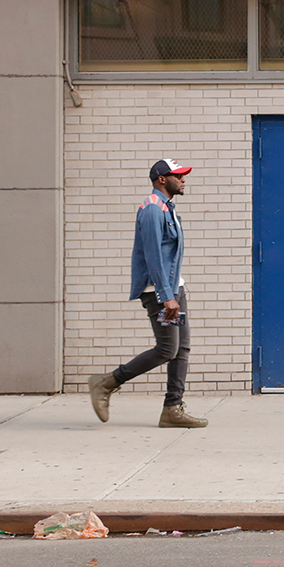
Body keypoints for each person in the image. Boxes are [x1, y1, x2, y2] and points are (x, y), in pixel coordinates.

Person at [88, 158, 208, 428]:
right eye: (178, 175)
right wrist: (166, 296)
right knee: (167, 349)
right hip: (159, 291)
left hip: (172, 287)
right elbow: (153, 256)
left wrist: (175, 290)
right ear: (162, 179)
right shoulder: (153, 209)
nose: (183, 179)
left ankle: (172, 409)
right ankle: (106, 383)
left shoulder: (167, 208)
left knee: (181, 348)